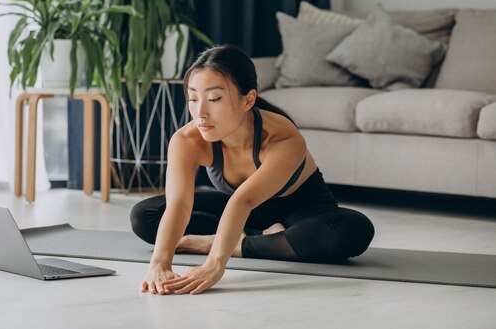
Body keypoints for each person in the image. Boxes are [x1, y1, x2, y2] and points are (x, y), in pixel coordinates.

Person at [130, 44, 375, 296]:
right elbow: (179, 204)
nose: (200, 113)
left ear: (248, 99)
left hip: (300, 209)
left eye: (214, 99)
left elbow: (244, 200)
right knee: (144, 216)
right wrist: (159, 264)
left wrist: (215, 263)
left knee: (351, 230)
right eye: (193, 98)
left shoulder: (281, 136)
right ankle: (261, 239)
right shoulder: (187, 139)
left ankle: (230, 243)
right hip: (239, 210)